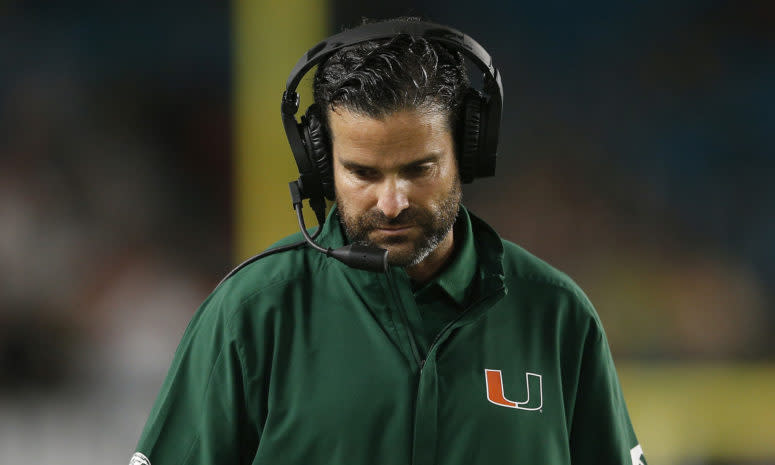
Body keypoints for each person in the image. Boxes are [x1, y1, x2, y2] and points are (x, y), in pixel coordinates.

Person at [130, 18, 647, 465]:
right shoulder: (251, 316)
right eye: (362, 172)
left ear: (468, 152)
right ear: (320, 165)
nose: (392, 201)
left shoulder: (557, 316)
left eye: (419, 168)